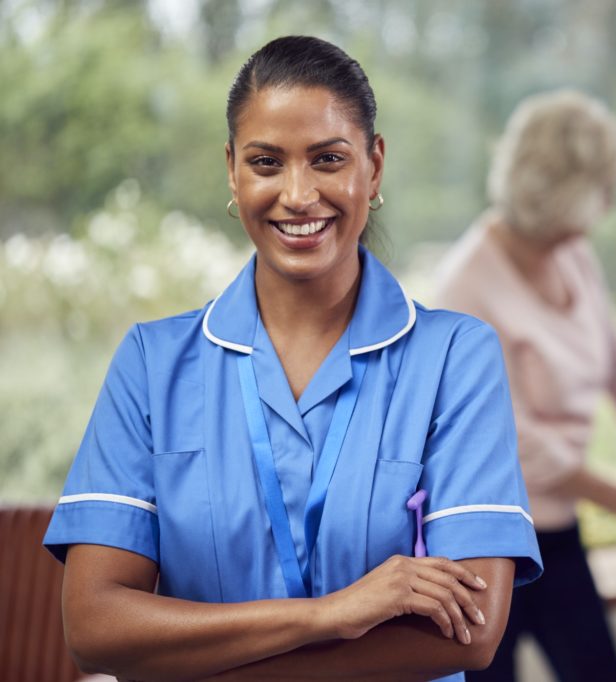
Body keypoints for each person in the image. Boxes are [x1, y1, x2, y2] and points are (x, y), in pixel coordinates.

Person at [42, 36, 542, 682]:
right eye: (267, 162)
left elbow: (471, 633)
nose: (299, 195)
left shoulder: (454, 358)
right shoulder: (151, 364)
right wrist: (329, 615)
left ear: (375, 167)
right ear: (232, 171)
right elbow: (93, 626)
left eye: (328, 159)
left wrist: (200, 665)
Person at [434, 89, 616, 682]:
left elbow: (615, 358)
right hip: (485, 539)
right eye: (604, 187)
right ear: (567, 190)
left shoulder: (574, 256)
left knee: (600, 672)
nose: (612, 202)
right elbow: (512, 437)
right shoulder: (466, 287)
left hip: (557, 530)